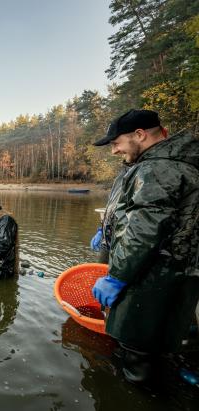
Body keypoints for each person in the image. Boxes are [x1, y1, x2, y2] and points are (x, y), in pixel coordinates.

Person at [91, 109, 199, 383]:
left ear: (139, 135)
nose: (114, 151)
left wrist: (117, 276)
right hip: (161, 274)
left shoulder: (157, 168)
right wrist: (104, 230)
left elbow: (146, 228)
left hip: (153, 278)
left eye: (116, 143)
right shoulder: (157, 163)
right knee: (155, 346)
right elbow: (134, 212)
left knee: (138, 356)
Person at [90, 163, 130, 263]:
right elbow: (112, 209)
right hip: (106, 242)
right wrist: (101, 230)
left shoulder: (145, 173)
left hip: (124, 248)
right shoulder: (122, 174)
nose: (114, 150)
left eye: (116, 145)